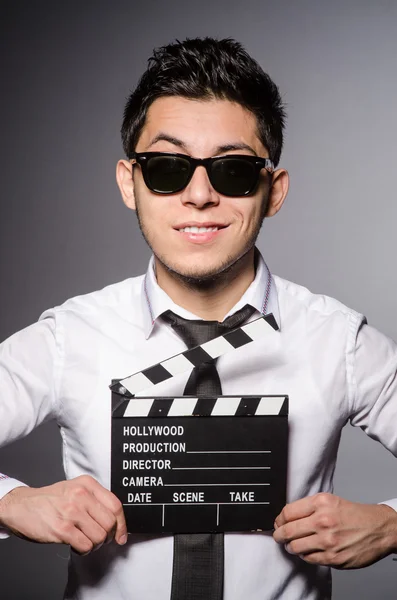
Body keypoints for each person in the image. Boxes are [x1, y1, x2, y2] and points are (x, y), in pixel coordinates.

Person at [0, 36, 396, 600]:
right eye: (167, 168)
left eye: (233, 171)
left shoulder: (338, 341)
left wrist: (392, 525)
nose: (200, 194)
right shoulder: (69, 337)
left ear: (273, 190)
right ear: (128, 183)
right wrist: (11, 504)